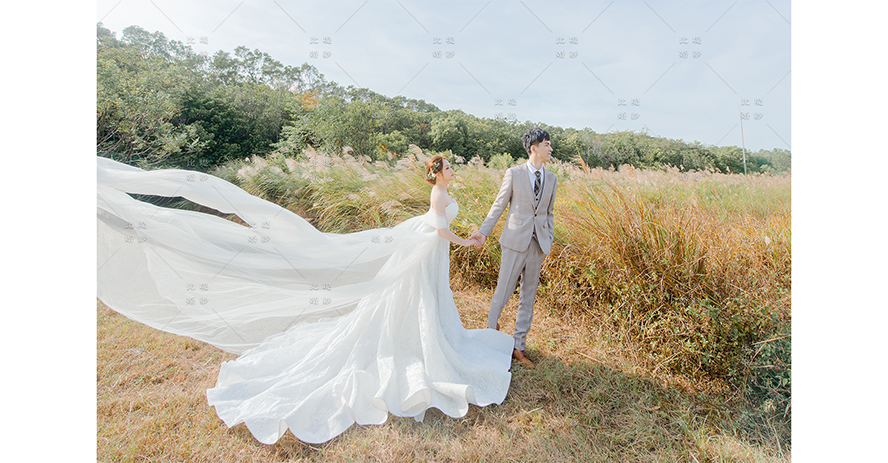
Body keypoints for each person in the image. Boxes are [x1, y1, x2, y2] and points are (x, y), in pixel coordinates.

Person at [96, 154, 514, 445]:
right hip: (430, 253)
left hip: (430, 256)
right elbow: (438, 230)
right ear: (437, 174)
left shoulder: (441, 194)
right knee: (419, 300)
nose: (453, 172)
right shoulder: (438, 197)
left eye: (451, 169)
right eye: (448, 168)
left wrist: (467, 238)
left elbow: (435, 230)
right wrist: (466, 241)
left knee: (430, 300)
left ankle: (433, 335)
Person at [470, 128, 557, 370]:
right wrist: (483, 232)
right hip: (513, 242)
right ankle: (489, 337)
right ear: (534, 148)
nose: (551, 149)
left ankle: (519, 347)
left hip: (538, 245)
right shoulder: (514, 173)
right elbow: (498, 206)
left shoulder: (551, 178)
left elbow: (549, 213)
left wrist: (547, 237)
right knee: (503, 292)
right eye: (547, 145)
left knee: (528, 297)